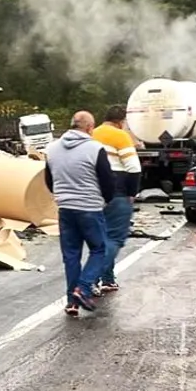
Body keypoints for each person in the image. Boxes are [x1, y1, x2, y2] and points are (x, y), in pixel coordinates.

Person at [44, 111, 115, 316]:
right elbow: (107, 180)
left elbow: (49, 180)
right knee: (100, 250)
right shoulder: (95, 148)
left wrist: (62, 195)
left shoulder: (52, 149)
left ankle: (71, 302)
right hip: (90, 208)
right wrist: (108, 200)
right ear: (89, 128)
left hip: (65, 209)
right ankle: (83, 289)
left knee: (71, 255)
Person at [91, 106, 142, 293]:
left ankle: (108, 279)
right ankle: (90, 279)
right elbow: (134, 168)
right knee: (114, 238)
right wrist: (132, 193)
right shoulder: (120, 135)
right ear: (120, 122)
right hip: (116, 192)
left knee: (101, 239)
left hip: (94, 194)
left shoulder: (92, 134)